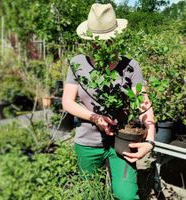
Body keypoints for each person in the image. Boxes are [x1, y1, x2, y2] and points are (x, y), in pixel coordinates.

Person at [62, 3, 155, 200]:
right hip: (87, 142)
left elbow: (144, 105)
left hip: (122, 141)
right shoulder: (78, 63)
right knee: (90, 193)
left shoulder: (130, 66)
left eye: (106, 40)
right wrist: (95, 118)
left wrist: (151, 141)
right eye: (96, 40)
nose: (100, 45)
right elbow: (68, 102)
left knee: (127, 196)